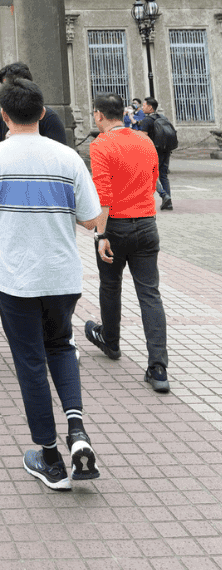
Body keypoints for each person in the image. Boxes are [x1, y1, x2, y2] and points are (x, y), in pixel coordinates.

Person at [0, 77, 103, 490]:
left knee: (29, 362)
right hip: (62, 274)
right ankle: (76, 429)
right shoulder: (68, 159)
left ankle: (50, 458)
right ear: (42, 113)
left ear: (4, 116)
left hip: (16, 278)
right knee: (61, 345)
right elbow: (91, 218)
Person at [86, 94, 170, 392]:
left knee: (110, 285)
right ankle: (158, 367)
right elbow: (153, 178)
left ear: (98, 116)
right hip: (147, 224)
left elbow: (103, 195)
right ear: (122, 113)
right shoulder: (145, 142)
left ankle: (111, 343)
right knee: (150, 294)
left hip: (116, 226)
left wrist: (100, 234)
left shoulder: (100, 145)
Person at [0, 62, 68, 146]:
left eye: (16, 85)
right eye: (5, 86)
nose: (9, 90)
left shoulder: (50, 118)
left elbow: (59, 152)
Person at [138, 98, 173, 210]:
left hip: (153, 151)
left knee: (150, 174)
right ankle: (168, 201)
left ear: (150, 107)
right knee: (163, 175)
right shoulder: (163, 118)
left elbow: (143, 137)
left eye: (144, 105)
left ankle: (163, 195)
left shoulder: (147, 120)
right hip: (166, 150)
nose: (142, 107)